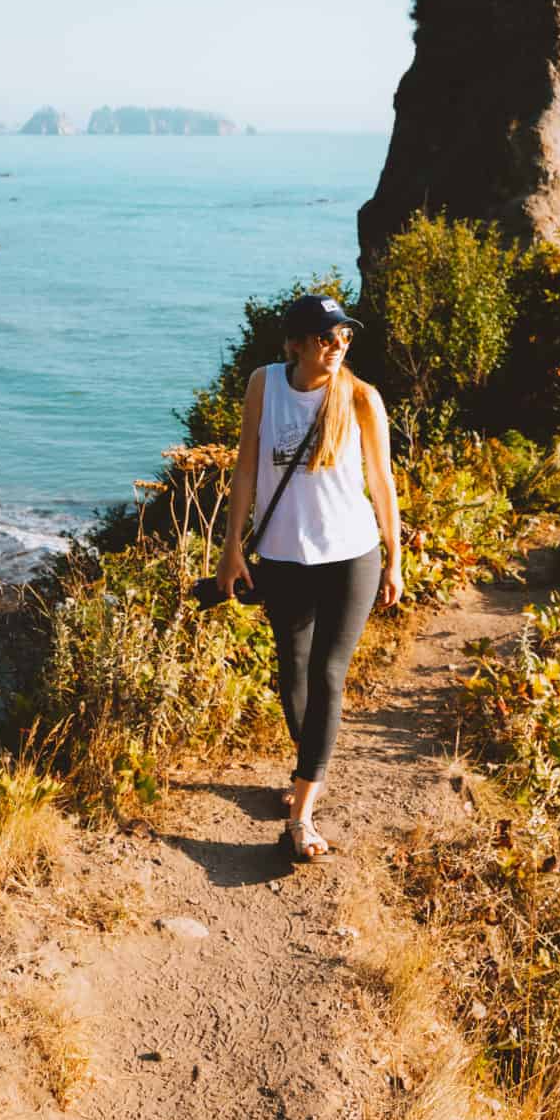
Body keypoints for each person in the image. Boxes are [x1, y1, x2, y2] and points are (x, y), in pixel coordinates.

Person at [214, 292, 402, 860]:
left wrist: (395, 556)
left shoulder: (362, 398)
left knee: (327, 673)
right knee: (291, 673)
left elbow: (383, 482)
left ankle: (302, 815)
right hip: (283, 556)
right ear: (294, 343)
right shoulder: (264, 385)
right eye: (325, 337)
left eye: (344, 335)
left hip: (352, 556)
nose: (337, 345)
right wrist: (230, 549)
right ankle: (310, 764)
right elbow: (246, 465)